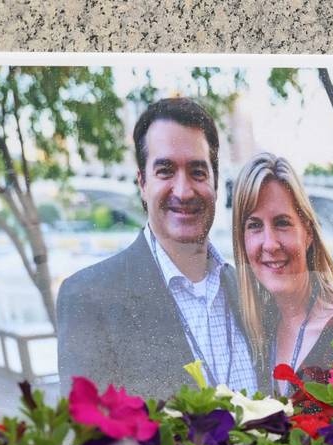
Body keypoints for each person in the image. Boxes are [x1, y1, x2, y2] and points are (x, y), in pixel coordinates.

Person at [56, 98, 257, 398]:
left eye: (198, 172)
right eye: (165, 171)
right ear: (142, 183)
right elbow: (87, 441)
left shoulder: (251, 291)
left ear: (215, 183)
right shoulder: (89, 298)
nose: (183, 190)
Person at [230, 153, 333, 395]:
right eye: (254, 225)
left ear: (307, 232)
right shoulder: (253, 337)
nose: (270, 244)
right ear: (241, 240)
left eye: (282, 223)